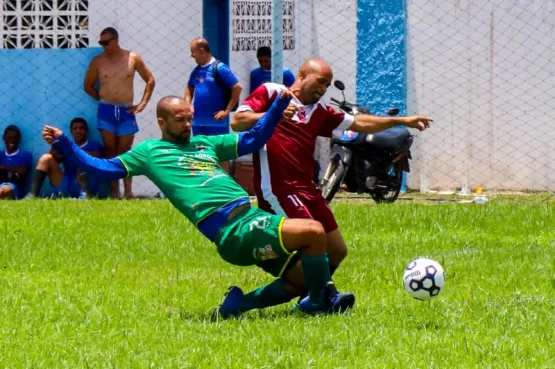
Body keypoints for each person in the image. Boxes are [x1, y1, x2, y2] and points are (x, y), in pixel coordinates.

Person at [41, 91, 355, 317]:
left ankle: (238, 305)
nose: (188, 125)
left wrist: (277, 107)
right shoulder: (149, 152)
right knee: (314, 233)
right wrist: (65, 144)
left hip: (249, 219)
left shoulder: (203, 142)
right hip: (233, 229)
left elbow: (251, 140)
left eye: (190, 118)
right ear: (162, 122)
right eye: (180, 120)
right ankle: (319, 304)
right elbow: (101, 168)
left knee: (302, 277)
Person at [231, 57, 433, 301]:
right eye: (321, 81)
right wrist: (274, 114)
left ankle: (285, 298)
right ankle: (323, 297)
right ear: (302, 75)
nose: (324, 88)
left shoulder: (320, 111)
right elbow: (237, 121)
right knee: (313, 238)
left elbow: (359, 123)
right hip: (278, 188)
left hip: (308, 188)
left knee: (337, 250)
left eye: (327, 84)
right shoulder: (273, 93)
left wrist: (401, 121)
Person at [83, 27, 156, 199]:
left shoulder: (132, 58)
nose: (103, 46)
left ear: (116, 40)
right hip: (107, 109)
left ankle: (128, 191)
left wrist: (143, 103)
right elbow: (88, 85)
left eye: (106, 42)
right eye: (101, 43)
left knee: (126, 151)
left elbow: (150, 80)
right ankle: (114, 192)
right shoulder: (98, 61)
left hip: (126, 110)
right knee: (110, 150)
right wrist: (102, 98)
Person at [185, 37, 242, 172]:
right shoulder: (196, 70)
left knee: (220, 154)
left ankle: (223, 185)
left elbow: (237, 87)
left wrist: (227, 111)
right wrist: (188, 104)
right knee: (201, 155)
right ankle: (205, 185)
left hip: (216, 122)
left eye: (193, 52)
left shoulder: (219, 68)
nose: (192, 55)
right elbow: (189, 87)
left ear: (201, 50)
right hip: (198, 122)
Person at [29, 117, 102, 199]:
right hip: (67, 184)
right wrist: (54, 144)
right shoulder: (66, 146)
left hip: (87, 187)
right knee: (45, 158)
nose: (78, 131)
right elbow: (53, 159)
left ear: (86, 131)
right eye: (75, 128)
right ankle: (33, 195)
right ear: (71, 132)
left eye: (81, 128)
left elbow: (94, 161)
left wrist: (68, 150)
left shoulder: (94, 146)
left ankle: (85, 196)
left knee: (83, 160)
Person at [0, 125, 33, 200]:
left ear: (19, 139)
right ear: (4, 138)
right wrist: (12, 169)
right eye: (9, 138)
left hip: (14, 187)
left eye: (15, 138)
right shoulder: (0, 155)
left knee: (2, 191)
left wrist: (3, 167)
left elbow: (22, 171)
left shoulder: (25, 155)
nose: (12, 140)